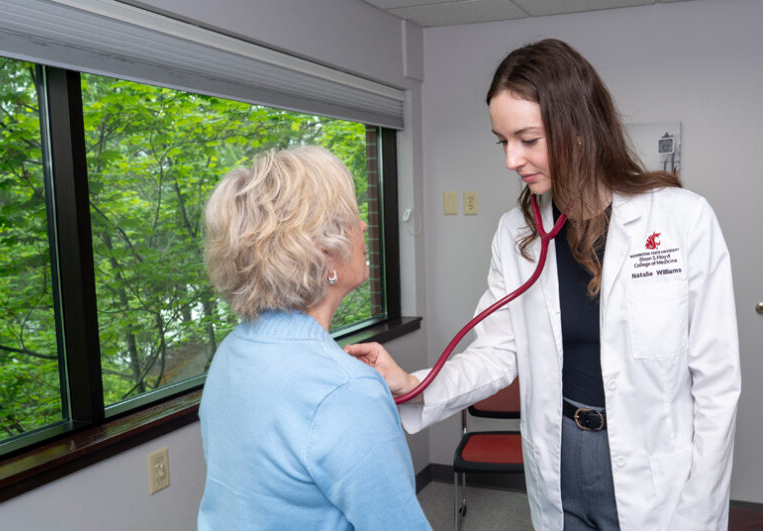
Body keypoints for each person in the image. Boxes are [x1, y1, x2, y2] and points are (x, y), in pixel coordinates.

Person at [346, 39, 740, 531]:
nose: (511, 159)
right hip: (560, 454)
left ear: (577, 128)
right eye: (502, 141)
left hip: (654, 462)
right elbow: (497, 353)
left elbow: (717, 384)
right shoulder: (518, 234)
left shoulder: (683, 219)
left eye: (527, 139)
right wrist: (414, 383)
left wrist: (699, 512)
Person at [198, 145, 431, 530]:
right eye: (352, 215)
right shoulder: (347, 390)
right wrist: (351, 388)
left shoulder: (231, 352)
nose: (363, 227)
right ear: (324, 254)